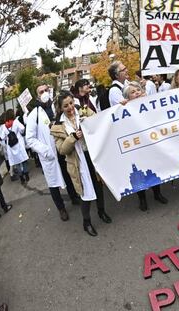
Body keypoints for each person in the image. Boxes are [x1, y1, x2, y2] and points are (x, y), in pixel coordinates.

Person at [51, 92, 112, 236]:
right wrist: (73, 138)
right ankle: (87, 222)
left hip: (92, 157)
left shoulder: (84, 111)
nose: (70, 107)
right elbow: (61, 150)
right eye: (65, 106)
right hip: (77, 162)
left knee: (99, 186)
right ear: (60, 108)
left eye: (71, 103)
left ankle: (102, 212)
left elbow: (100, 122)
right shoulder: (57, 126)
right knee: (85, 192)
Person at [26, 85, 80, 221]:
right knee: (53, 184)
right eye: (41, 92)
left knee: (68, 173)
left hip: (62, 147)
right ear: (37, 96)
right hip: (49, 154)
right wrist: (45, 151)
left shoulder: (57, 107)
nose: (44, 93)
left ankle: (74, 197)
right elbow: (30, 139)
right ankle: (61, 208)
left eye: (46, 90)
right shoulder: (34, 115)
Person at [122, 82, 169, 211]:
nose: (136, 93)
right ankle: (142, 198)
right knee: (139, 173)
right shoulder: (122, 110)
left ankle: (157, 193)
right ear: (127, 97)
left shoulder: (149, 104)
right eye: (132, 92)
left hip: (151, 143)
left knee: (153, 168)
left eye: (138, 90)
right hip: (136, 146)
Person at [0, 109, 29, 184]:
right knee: (23, 160)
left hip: (11, 146)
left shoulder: (4, 126)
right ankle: (26, 175)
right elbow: (22, 129)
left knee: (17, 162)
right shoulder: (15, 122)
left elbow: (2, 137)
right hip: (19, 144)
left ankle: (21, 177)